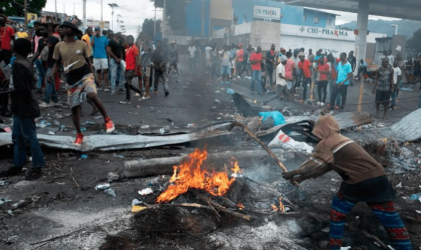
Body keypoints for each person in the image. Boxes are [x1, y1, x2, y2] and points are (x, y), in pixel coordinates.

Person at [283, 115, 413, 250]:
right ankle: (406, 247)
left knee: (338, 211)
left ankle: (334, 246)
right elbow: (325, 167)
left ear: (320, 129)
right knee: (390, 218)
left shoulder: (327, 143)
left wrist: (294, 172)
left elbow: (313, 163)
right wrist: (302, 178)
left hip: (358, 182)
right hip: (379, 180)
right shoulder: (344, 139)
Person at [50, 22, 115, 146]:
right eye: (62, 27)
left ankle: (107, 119)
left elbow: (88, 62)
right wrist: (52, 75)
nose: (63, 29)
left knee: (91, 95)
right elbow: (57, 63)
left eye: (66, 27)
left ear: (73, 31)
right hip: (71, 80)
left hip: (85, 75)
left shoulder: (82, 44)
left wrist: (94, 76)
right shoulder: (59, 46)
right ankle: (79, 134)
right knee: (74, 110)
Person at [0, 38, 45, 180]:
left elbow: (22, 89)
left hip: (23, 106)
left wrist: (6, 92)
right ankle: (18, 164)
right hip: (22, 105)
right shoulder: (26, 63)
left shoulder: (19, 65)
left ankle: (37, 166)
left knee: (29, 137)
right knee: (18, 137)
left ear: (16, 49)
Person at [31, 23, 60, 108]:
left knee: (48, 81)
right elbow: (38, 52)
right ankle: (55, 101)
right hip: (44, 64)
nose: (42, 31)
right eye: (40, 30)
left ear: (49, 29)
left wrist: (59, 64)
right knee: (50, 82)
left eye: (43, 29)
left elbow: (60, 52)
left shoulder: (54, 39)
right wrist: (31, 61)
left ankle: (46, 101)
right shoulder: (40, 41)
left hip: (53, 64)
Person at [119, 35, 142, 105]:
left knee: (127, 84)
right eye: (128, 39)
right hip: (127, 68)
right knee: (127, 84)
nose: (129, 41)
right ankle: (140, 92)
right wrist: (125, 39)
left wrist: (135, 70)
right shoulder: (128, 47)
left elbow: (137, 59)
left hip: (131, 69)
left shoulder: (134, 48)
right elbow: (123, 45)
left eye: (130, 39)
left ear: (132, 40)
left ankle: (128, 99)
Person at [0, 14, 15, 117]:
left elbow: (14, 40)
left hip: (6, 53)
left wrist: (14, 52)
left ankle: (4, 108)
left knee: (5, 80)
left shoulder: (9, 29)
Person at [107, 31, 125, 95]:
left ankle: (121, 87)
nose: (120, 34)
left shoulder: (119, 41)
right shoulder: (111, 41)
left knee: (122, 74)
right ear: (116, 34)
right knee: (113, 75)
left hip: (120, 60)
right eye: (119, 33)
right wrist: (115, 58)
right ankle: (113, 90)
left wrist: (121, 58)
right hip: (113, 60)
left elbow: (121, 51)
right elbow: (108, 50)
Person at [91, 27, 110, 91]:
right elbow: (91, 44)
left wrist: (108, 56)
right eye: (95, 30)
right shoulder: (92, 38)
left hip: (104, 57)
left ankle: (106, 86)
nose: (97, 32)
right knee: (98, 71)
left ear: (100, 31)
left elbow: (107, 48)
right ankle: (99, 85)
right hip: (96, 57)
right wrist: (93, 36)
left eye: (98, 31)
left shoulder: (104, 38)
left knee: (105, 71)